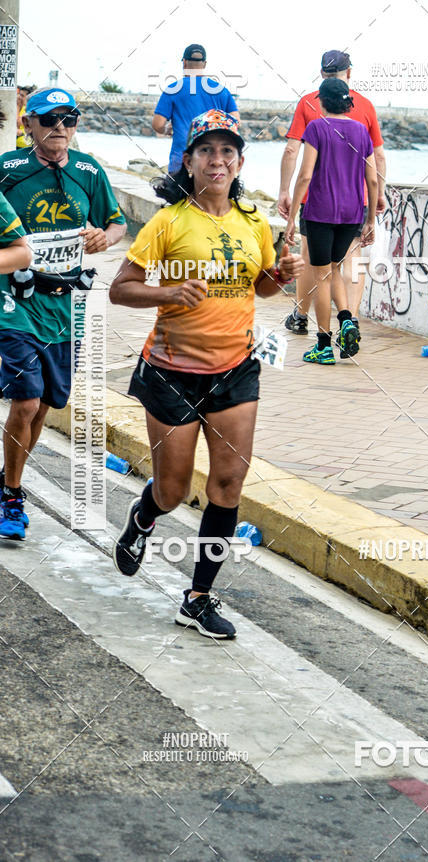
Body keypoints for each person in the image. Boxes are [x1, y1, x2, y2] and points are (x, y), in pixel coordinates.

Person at [109, 110, 303, 639]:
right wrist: (167, 291)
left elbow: (260, 286)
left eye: (227, 152)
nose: (217, 160)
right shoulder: (169, 222)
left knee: (228, 482)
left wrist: (279, 276)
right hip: (171, 371)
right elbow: (120, 288)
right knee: (172, 490)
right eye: (207, 151)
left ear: (239, 162)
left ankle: (197, 599)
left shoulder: (254, 220)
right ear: (189, 162)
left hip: (236, 368)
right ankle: (145, 515)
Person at [0, 87, 127, 540]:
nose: (60, 128)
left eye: (69, 120)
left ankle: (7, 481)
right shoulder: (9, 171)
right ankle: (13, 495)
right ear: (28, 123)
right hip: (15, 302)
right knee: (26, 399)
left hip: (65, 302)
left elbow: (117, 222)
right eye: (50, 119)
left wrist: (105, 238)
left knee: (48, 405)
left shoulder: (89, 170)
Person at [278, 50, 386, 338]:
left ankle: (311, 326)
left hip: (318, 206)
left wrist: (285, 196)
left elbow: (297, 159)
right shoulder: (364, 114)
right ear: (348, 73)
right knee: (348, 264)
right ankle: (351, 318)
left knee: (317, 266)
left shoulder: (310, 111)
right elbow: (376, 165)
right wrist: (376, 203)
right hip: (355, 206)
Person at [152, 44, 240, 173]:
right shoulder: (221, 90)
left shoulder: (173, 89)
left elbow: (157, 124)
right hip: (213, 163)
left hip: (182, 161)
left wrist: (166, 130)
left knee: (179, 193)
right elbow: (235, 121)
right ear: (204, 64)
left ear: (184, 62)